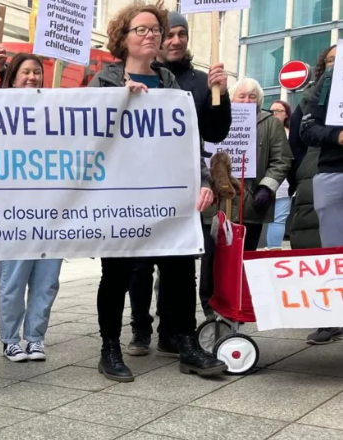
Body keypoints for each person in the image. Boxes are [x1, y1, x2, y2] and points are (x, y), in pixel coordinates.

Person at [89, 0, 227, 382]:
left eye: (155, 30)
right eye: (142, 30)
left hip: (165, 197)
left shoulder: (170, 84)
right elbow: (85, 137)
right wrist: (118, 101)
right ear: (124, 38)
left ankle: (184, 341)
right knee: (116, 272)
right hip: (119, 199)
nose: (151, 36)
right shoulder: (104, 82)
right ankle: (110, 348)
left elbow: (187, 143)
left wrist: (202, 182)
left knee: (179, 268)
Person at [126, 10, 234, 353]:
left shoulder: (201, 82)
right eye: (167, 34)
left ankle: (173, 331)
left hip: (180, 181)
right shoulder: (133, 75)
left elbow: (214, 134)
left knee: (179, 262)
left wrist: (221, 95)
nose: (174, 41)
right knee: (140, 264)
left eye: (180, 35)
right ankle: (140, 328)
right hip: (139, 183)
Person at [0, 54, 63, 363]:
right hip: (14, 212)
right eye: (25, 72)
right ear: (13, 77)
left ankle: (35, 337)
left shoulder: (55, 110)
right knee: (14, 277)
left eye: (37, 72)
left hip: (51, 210)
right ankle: (10, 339)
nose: (33, 77)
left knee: (47, 280)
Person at [200, 78, 293, 310]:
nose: (247, 100)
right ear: (232, 98)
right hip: (216, 204)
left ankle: (237, 305)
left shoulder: (270, 123)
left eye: (253, 97)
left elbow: (282, 159)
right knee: (211, 258)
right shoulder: (217, 120)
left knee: (244, 258)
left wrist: (266, 187)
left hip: (250, 205)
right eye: (242, 96)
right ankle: (210, 308)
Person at [291, 46, 342, 345]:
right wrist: (337, 136)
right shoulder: (326, 86)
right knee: (334, 253)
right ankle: (332, 318)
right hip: (334, 174)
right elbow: (306, 131)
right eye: (331, 60)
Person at [266, 100, 292, 250]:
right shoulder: (264, 129)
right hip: (263, 181)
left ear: (286, 114)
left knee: (278, 219)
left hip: (283, 182)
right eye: (272, 111)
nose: (274, 113)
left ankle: (273, 249)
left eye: (278, 111)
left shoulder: (289, 134)